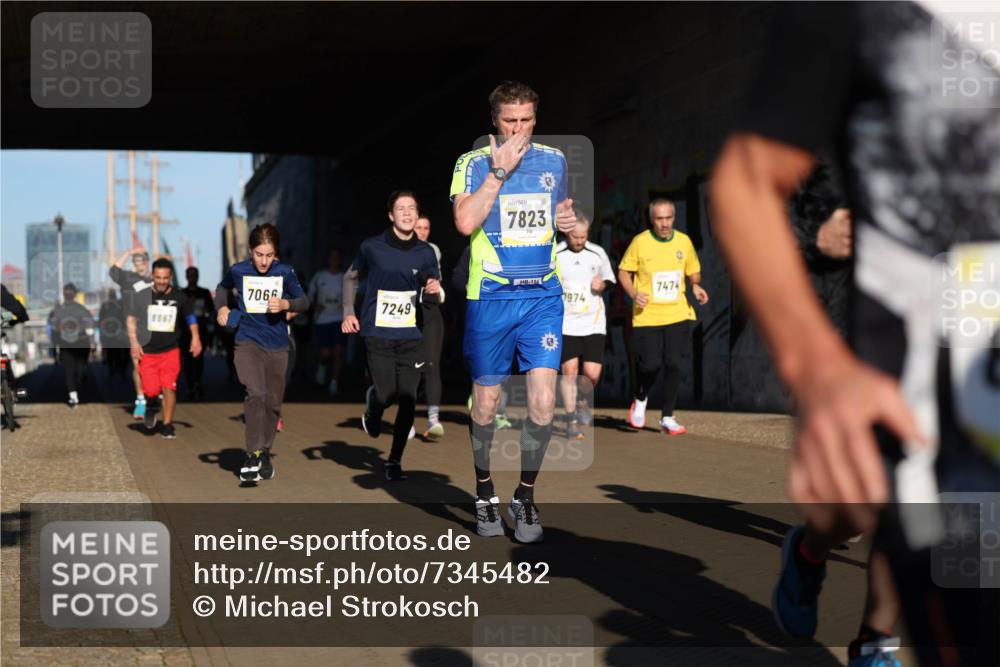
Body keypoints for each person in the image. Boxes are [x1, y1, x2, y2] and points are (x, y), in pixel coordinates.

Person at [710, 3, 999, 665]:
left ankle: (876, 637)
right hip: (878, 321)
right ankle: (812, 548)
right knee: (863, 498)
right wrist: (815, 252)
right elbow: (749, 186)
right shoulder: (855, 24)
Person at [451, 80, 578, 543]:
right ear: (494, 120)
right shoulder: (472, 163)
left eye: (526, 120)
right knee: (485, 404)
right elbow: (465, 221)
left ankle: (524, 497)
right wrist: (498, 173)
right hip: (491, 297)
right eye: (510, 121)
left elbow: (560, 212)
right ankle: (484, 492)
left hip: (542, 296)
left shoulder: (555, 160)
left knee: (544, 403)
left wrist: (567, 220)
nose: (519, 129)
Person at [342, 190, 441, 481]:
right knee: (387, 394)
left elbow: (429, 282)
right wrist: (349, 311)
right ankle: (374, 405)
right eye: (401, 208)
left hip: (412, 335)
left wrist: (432, 286)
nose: (408, 213)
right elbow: (351, 277)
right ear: (391, 215)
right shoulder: (371, 247)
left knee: (409, 399)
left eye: (412, 208)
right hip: (379, 333)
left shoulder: (426, 252)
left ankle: (394, 460)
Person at [215, 224, 308, 483]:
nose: (264, 261)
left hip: (278, 345)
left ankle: (265, 452)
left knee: (273, 403)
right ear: (250, 251)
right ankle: (251, 455)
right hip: (247, 342)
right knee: (255, 393)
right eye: (259, 254)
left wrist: (286, 303)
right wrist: (222, 308)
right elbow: (221, 290)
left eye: (269, 255)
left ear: (275, 253)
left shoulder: (285, 272)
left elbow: (304, 301)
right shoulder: (238, 270)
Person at [618, 199, 709, 435]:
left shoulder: (683, 241)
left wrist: (696, 286)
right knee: (651, 365)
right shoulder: (640, 242)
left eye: (668, 218)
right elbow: (624, 272)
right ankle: (641, 396)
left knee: (674, 363)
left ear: (674, 218)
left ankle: (668, 416)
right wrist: (634, 294)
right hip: (647, 315)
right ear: (652, 220)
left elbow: (693, 271)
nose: (665, 223)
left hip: (677, 312)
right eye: (659, 219)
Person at [555, 213, 616, 439]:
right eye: (575, 237)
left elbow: (611, 279)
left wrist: (603, 284)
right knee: (569, 373)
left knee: (591, 374)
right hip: (566, 323)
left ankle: (582, 400)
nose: (579, 241)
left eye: (583, 236)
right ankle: (571, 421)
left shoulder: (597, 253)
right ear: (566, 233)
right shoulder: (557, 253)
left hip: (593, 322)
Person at [127, 259, 202, 439]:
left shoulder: (180, 297)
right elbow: (131, 320)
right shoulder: (141, 296)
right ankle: (152, 405)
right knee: (151, 389)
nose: (161, 281)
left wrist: (196, 337)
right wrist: (134, 342)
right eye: (158, 277)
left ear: (170, 277)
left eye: (165, 278)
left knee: (169, 387)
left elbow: (190, 318)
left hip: (171, 350)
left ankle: (167, 424)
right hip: (148, 351)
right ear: (152, 276)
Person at [413, 215, 447, 439]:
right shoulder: (395, 249)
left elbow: (437, 278)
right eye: (419, 227)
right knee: (411, 366)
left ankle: (433, 419)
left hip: (429, 310)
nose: (422, 232)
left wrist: (437, 288)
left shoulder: (433, 250)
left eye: (426, 228)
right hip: (406, 312)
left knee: (432, 363)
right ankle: (405, 418)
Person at [109, 247, 152, 418]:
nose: (139, 266)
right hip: (135, 327)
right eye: (136, 262)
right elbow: (113, 271)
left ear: (148, 263)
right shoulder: (128, 278)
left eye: (142, 262)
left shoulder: (156, 279)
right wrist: (128, 252)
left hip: (155, 328)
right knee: (138, 364)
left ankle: (154, 394)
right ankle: (140, 400)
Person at [47, 283, 95, 408]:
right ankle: (73, 397)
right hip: (65, 344)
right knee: (69, 370)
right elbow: (53, 330)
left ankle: (80, 379)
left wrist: (92, 343)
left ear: (73, 294)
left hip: (81, 344)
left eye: (70, 292)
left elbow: (89, 326)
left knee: (79, 370)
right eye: (66, 292)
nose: (68, 294)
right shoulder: (58, 310)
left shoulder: (81, 309)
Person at [307, 248, 346, 395]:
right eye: (332, 256)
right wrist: (314, 304)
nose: (335, 259)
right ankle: (322, 368)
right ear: (328, 259)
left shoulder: (345, 277)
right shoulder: (319, 276)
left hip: (339, 319)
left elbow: (354, 295)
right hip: (323, 320)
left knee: (338, 352)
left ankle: (334, 382)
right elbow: (309, 296)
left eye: (337, 257)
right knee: (325, 354)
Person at [181, 266, 215, 400]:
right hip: (185, 331)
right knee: (187, 359)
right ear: (186, 277)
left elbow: (212, 310)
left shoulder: (204, 293)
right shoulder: (182, 293)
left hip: (201, 330)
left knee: (199, 359)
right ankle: (190, 384)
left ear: (198, 276)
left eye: (194, 275)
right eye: (190, 275)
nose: (192, 278)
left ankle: (197, 382)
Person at [98, 288, 131, 380]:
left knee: (115, 352)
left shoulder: (109, 305)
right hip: (114, 333)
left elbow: (101, 320)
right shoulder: (118, 305)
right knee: (116, 352)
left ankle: (115, 369)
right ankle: (117, 369)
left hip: (114, 333)